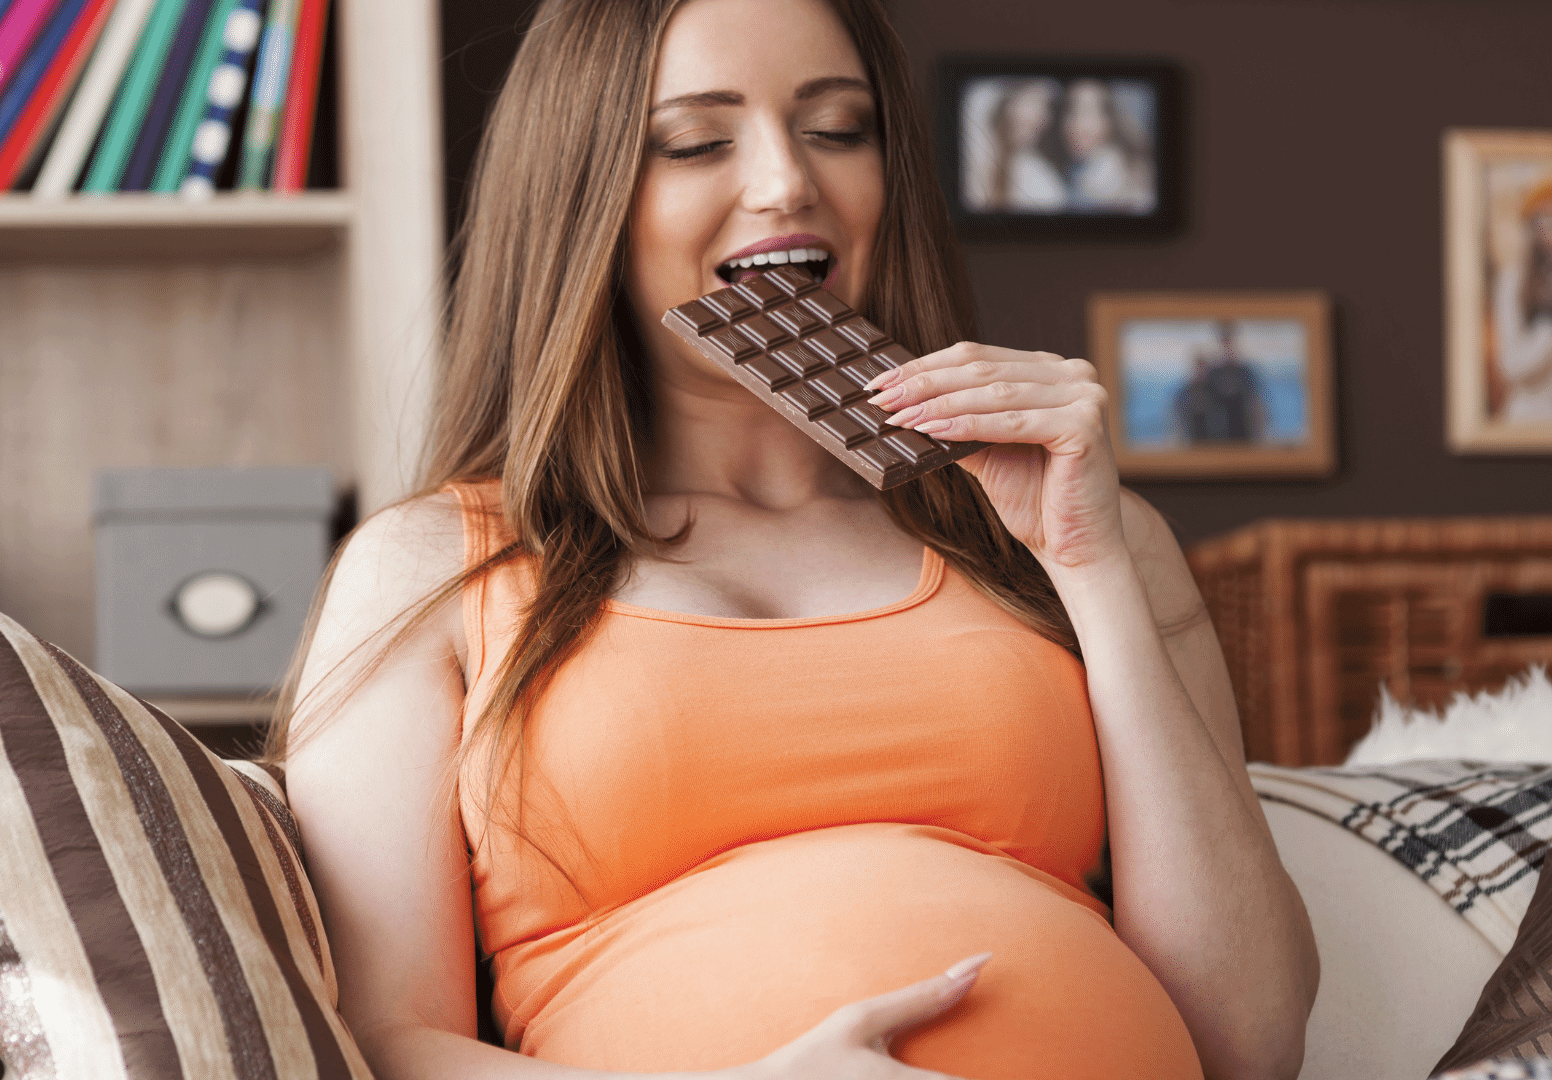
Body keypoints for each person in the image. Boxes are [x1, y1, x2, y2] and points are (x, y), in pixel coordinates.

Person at [273, 1, 1319, 1078]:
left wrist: (1092, 569)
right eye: (695, 142)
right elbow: (381, 1048)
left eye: (836, 130)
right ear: (580, 199)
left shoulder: (1079, 537)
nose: (787, 183)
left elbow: (1252, 1042)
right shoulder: (433, 566)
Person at [1491, 177, 1552, 421]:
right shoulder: (1512, 281)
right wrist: (1547, 334)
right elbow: (1510, 365)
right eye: (1545, 218)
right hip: (1530, 418)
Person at [963, 77, 1066, 213]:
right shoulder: (971, 140)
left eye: (1047, 106)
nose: (1044, 117)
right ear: (1008, 100)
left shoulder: (1040, 179)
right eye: (1035, 101)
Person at [1057, 78, 1154, 214]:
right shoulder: (1079, 167)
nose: (1076, 124)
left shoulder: (1104, 176)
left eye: (1087, 112)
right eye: (1070, 111)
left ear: (1109, 121)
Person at [1173, 321, 1267, 444]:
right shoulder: (1212, 373)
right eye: (1223, 338)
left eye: (1229, 338)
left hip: (1243, 440)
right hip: (1214, 443)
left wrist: (1258, 440)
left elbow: (1256, 410)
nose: (1226, 343)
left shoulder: (1246, 373)